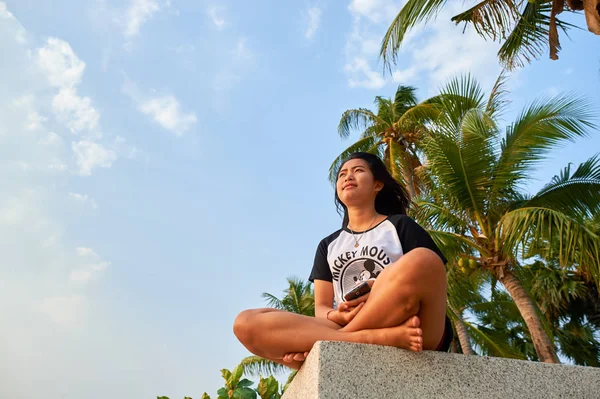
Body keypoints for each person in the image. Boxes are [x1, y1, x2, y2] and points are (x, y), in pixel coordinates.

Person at [233, 152, 452, 370]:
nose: (348, 177)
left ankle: (334, 341)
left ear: (377, 184)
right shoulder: (328, 245)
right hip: (353, 323)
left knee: (424, 259)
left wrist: (382, 288)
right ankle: (367, 338)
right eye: (342, 175)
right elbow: (321, 308)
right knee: (245, 324)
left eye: (358, 171)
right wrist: (335, 314)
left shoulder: (399, 225)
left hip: (411, 323)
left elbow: (430, 279)